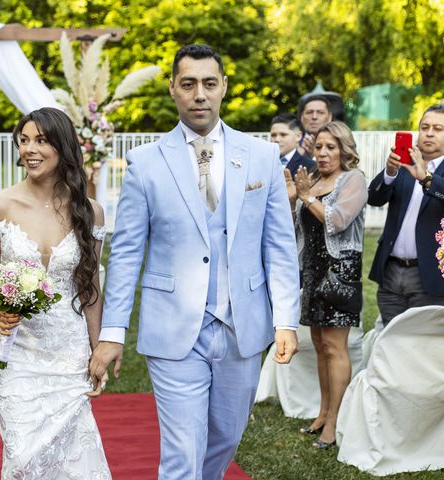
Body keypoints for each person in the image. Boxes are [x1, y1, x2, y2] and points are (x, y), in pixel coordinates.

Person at [89, 44, 300, 479]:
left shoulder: (261, 156)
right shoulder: (145, 164)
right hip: (173, 330)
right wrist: (112, 333)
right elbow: (126, 253)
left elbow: (278, 244)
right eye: (188, 84)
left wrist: (286, 320)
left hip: (242, 326)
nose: (199, 94)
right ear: (173, 90)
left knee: (225, 438)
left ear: (223, 87)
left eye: (208, 83)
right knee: (182, 451)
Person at [0, 107, 111, 479]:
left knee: (73, 454)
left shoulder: (91, 211)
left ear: (63, 147)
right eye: (24, 140)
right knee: (23, 456)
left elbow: (91, 288)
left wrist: (98, 347)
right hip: (17, 350)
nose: (30, 149)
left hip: (69, 352)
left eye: (41, 140)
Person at [286, 121, 367, 449]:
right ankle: (323, 411)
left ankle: (335, 422)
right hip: (313, 272)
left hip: (340, 275)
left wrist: (306, 198)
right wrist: (294, 198)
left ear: (344, 150)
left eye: (330, 147)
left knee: (335, 348)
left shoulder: (354, 180)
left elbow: (337, 221)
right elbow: (299, 227)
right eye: (318, 147)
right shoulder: (315, 181)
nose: (322, 153)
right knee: (320, 347)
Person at [368, 103, 444, 325]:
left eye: (438, 129)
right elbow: (373, 198)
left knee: (421, 348)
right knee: (390, 342)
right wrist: (390, 172)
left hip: (430, 275)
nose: (429, 133)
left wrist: (426, 178)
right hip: (391, 271)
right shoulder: (404, 164)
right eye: (424, 127)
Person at [270, 112, 315, 178]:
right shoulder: (263, 164)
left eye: (283, 135)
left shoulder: (310, 166)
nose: (277, 139)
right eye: (273, 135)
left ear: (298, 136)